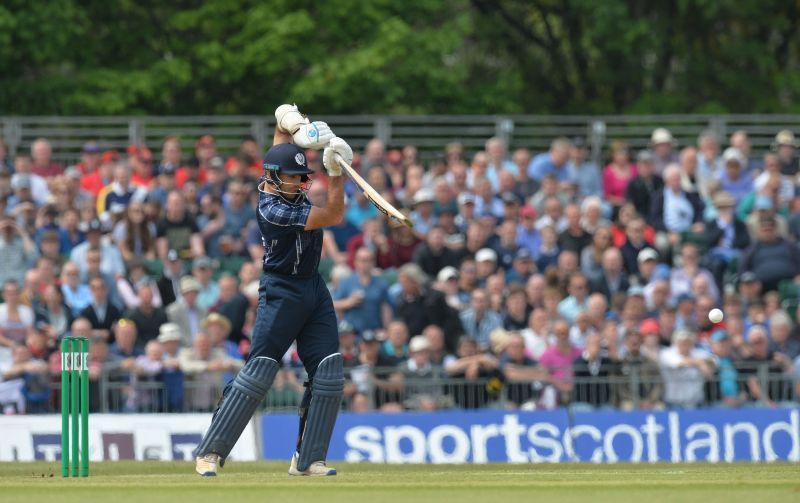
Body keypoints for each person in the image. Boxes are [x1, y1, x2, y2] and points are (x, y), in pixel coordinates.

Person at [194, 104, 348, 477]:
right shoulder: (273, 210)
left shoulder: (280, 176)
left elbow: (281, 126)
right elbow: (333, 216)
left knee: (328, 371)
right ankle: (210, 452)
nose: (302, 183)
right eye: (296, 177)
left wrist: (297, 125)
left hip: (313, 287)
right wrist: (336, 172)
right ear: (276, 177)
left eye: (304, 176)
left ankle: (308, 459)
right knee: (259, 371)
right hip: (282, 290)